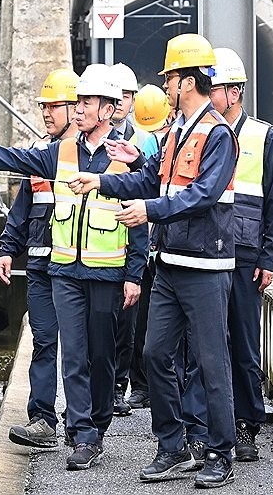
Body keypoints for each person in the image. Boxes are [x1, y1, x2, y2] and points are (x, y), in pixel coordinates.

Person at [0, 64, 147, 472]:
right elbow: (14, 158)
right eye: (77, 101)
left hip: (106, 274)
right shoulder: (60, 152)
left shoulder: (125, 157)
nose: (78, 109)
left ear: (106, 110)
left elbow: (140, 217)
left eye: (86, 102)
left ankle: (96, 424)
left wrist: (134, 273)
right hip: (65, 270)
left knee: (102, 357)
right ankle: (83, 434)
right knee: (75, 356)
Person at [68, 34, 239, 489]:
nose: (164, 84)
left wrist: (149, 211)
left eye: (169, 77)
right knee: (155, 354)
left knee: (210, 360)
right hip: (170, 264)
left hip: (206, 266)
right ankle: (173, 446)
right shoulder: (177, 132)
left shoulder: (217, 133)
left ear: (186, 81)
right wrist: (100, 180)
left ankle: (220, 452)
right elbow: (149, 181)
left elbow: (201, 196)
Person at [208, 48, 273, 462]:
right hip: (208, 251)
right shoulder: (200, 132)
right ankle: (210, 424)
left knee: (243, 342)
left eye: (214, 88)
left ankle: (246, 425)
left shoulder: (262, 136)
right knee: (207, 342)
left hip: (244, 254)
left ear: (234, 92)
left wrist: (269, 258)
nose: (208, 94)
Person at [0, 68, 78, 450]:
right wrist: (8, 248)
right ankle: (43, 420)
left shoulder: (86, 154)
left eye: (54, 106)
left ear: (75, 107)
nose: (47, 113)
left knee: (83, 349)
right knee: (45, 342)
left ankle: (84, 427)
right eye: (44, 107)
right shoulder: (39, 152)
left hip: (77, 268)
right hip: (41, 266)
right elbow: (23, 207)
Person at [121, 85, 171, 413]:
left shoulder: (189, 136)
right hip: (149, 242)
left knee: (161, 334)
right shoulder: (140, 139)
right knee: (142, 326)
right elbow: (146, 177)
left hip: (169, 244)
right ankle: (140, 386)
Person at [108, 61, 144, 416]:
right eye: (115, 95)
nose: (120, 101)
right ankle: (105, 389)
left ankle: (119, 386)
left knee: (127, 325)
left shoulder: (142, 139)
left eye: (126, 95)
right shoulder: (89, 138)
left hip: (131, 242)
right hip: (98, 250)